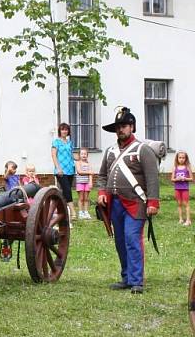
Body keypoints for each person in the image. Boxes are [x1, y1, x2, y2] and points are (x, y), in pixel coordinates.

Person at [97, 107, 160, 294]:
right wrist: (101, 191)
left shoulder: (143, 150)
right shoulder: (110, 151)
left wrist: (153, 202)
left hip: (136, 203)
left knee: (132, 239)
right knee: (120, 241)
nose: (120, 129)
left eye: (124, 126)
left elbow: (152, 178)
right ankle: (126, 277)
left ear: (132, 127)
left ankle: (136, 281)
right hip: (115, 203)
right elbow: (102, 175)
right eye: (118, 126)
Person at [51, 122, 76, 222]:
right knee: (67, 190)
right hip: (61, 170)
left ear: (68, 131)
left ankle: (62, 210)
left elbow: (71, 155)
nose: (64, 131)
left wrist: (79, 159)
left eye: (66, 129)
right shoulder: (56, 142)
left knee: (66, 191)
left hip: (70, 169)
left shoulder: (70, 142)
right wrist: (58, 168)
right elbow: (53, 155)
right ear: (59, 131)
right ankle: (73, 211)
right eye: (62, 129)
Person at [171, 150, 192, 226]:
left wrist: (185, 178)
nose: (181, 159)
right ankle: (181, 219)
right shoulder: (175, 168)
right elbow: (172, 179)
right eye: (180, 157)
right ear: (177, 158)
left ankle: (188, 220)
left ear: (186, 159)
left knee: (186, 204)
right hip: (177, 188)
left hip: (185, 189)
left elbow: (191, 179)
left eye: (183, 158)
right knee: (179, 204)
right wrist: (177, 179)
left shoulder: (187, 167)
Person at [75, 147, 94, 219]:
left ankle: (86, 212)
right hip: (80, 183)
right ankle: (80, 212)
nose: (84, 155)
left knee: (86, 198)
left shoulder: (89, 164)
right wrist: (89, 172)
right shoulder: (78, 163)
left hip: (87, 183)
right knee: (81, 198)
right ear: (79, 155)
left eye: (85, 154)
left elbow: (91, 174)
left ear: (87, 155)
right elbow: (80, 172)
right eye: (82, 154)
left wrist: (91, 182)